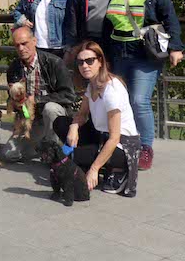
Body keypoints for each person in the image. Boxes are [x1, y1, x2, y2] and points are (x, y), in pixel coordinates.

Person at [102, 0, 184, 171]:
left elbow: (170, 19)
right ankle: (125, 143)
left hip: (144, 54)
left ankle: (145, 148)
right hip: (118, 53)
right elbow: (107, 26)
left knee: (139, 101)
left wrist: (176, 48)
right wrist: (103, 57)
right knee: (121, 102)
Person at [53, 41, 140, 197]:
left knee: (69, 157)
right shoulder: (91, 85)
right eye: (80, 62)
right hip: (100, 135)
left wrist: (94, 169)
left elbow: (114, 138)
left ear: (100, 62)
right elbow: (82, 114)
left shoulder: (111, 90)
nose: (85, 65)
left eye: (90, 60)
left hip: (122, 145)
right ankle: (88, 162)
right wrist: (73, 127)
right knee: (60, 123)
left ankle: (115, 169)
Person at [2, 26, 77, 162]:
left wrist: (36, 100)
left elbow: (69, 95)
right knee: (9, 153)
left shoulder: (54, 62)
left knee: (50, 108)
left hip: (53, 117)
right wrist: (15, 103)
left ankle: (56, 151)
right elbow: (12, 99)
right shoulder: (13, 68)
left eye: (24, 44)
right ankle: (39, 145)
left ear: (34, 41)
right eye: (17, 45)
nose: (21, 49)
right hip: (30, 120)